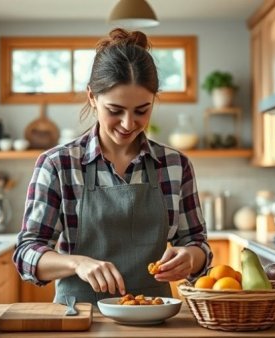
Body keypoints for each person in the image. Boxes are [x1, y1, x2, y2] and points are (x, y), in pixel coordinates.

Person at [13, 28, 212, 304]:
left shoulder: (176, 165)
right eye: (115, 110)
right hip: (79, 319)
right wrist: (77, 264)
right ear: (92, 97)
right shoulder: (58, 164)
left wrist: (191, 258)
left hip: (155, 317)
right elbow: (26, 253)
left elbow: (197, 242)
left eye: (142, 110)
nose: (128, 124)